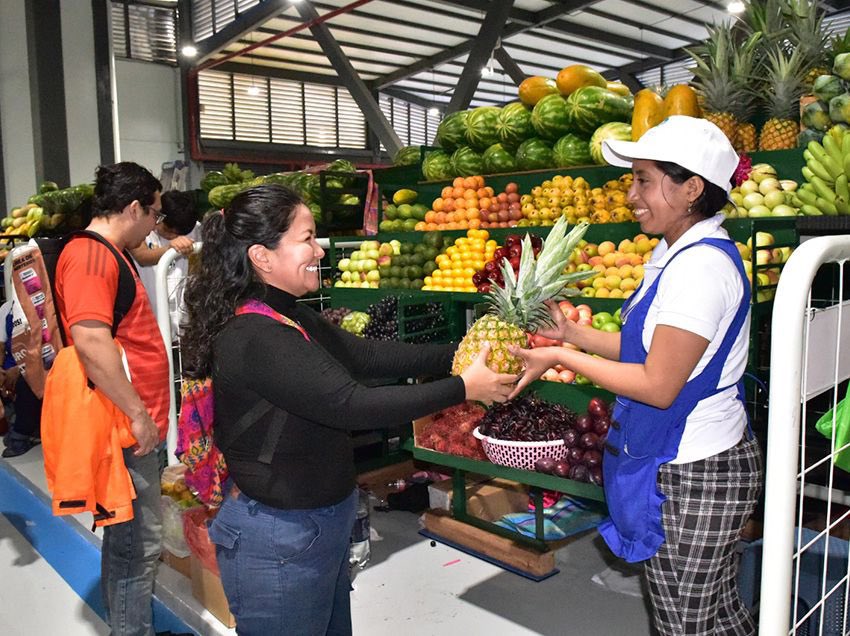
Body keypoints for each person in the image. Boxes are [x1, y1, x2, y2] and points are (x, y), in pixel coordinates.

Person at [180, 184, 516, 635]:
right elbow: (352, 404)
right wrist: (463, 387)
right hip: (280, 537)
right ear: (262, 256)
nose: (319, 250)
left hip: (316, 525)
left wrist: (463, 351)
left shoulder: (289, 315)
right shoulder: (256, 336)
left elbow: (367, 357)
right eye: (306, 238)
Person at [510, 116, 762, 635]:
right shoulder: (672, 253)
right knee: (713, 611)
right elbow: (641, 349)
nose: (631, 195)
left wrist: (563, 359)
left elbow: (657, 384)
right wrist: (572, 335)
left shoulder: (700, 270)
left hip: (697, 470)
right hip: (679, 457)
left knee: (685, 621)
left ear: (691, 188)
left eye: (643, 180)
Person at [53, 161, 170, 636]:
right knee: (137, 545)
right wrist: (138, 414)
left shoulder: (111, 252)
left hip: (131, 420)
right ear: (134, 207)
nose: (155, 225)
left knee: (127, 538)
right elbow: (91, 342)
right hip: (123, 424)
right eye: (155, 213)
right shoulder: (91, 256)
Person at [130, 189, 199, 339]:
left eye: (177, 233)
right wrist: (170, 248)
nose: (172, 236)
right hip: (151, 320)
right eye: (168, 231)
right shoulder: (142, 229)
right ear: (159, 216)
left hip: (184, 325)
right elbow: (142, 256)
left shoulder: (196, 230)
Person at [0, 298, 42, 458]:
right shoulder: (6, 309)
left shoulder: (41, 305)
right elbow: (1, 345)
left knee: (27, 381)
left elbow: (42, 345)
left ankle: (21, 435)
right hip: (9, 366)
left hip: (33, 366)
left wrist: (20, 369)